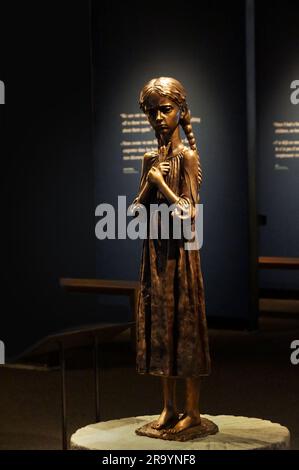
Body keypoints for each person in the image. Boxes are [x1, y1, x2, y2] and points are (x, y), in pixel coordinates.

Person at [131, 77, 210, 434]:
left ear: (181, 110)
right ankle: (168, 407)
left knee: (186, 325)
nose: (159, 118)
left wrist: (161, 184)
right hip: (156, 253)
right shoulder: (151, 157)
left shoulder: (188, 157)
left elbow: (190, 212)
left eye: (165, 109)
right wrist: (149, 183)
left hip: (181, 254)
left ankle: (192, 412)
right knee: (160, 326)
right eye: (152, 112)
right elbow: (134, 210)